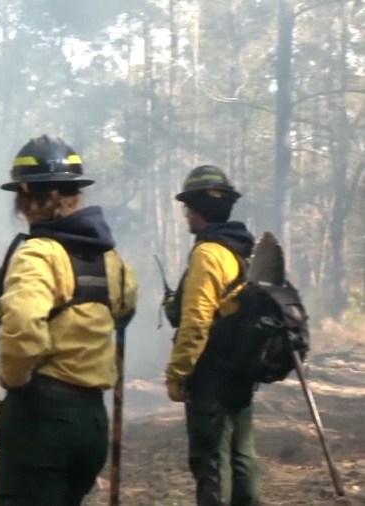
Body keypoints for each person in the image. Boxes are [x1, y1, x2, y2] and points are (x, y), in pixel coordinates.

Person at [0, 135, 137, 506]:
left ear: (26, 199)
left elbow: (23, 325)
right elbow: (125, 310)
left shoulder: (39, 254)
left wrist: (14, 378)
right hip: (91, 421)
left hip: (41, 421)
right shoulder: (111, 260)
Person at [164, 165, 260, 506]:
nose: (186, 215)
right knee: (242, 457)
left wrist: (178, 373)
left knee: (212, 463)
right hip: (241, 370)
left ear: (197, 210)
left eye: (188, 207)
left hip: (212, 376)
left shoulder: (208, 253)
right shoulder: (241, 251)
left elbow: (196, 322)